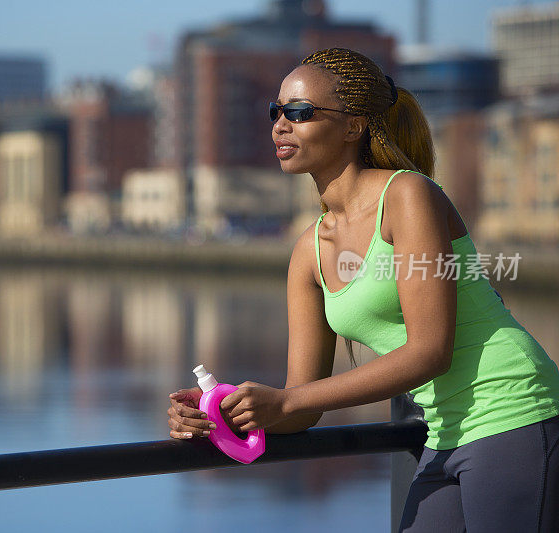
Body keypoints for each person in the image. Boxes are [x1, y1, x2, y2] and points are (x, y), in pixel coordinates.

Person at [166, 47, 559, 532]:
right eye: (276, 112)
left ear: (353, 126)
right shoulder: (307, 251)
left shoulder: (407, 196)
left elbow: (430, 351)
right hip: (443, 433)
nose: (280, 126)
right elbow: (301, 404)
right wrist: (223, 409)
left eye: (300, 113)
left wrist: (288, 403)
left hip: (514, 411)